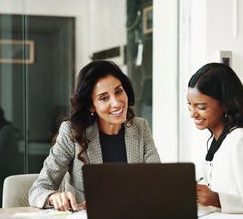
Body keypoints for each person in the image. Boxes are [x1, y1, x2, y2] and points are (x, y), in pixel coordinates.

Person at [29, 60, 161, 210]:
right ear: (92, 105)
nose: (117, 103)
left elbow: (157, 182)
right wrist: (53, 197)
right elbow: (38, 190)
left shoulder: (140, 127)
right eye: (104, 98)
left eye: (118, 91)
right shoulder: (72, 133)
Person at [186, 63, 243, 215]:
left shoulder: (240, 141)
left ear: (225, 104)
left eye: (201, 107)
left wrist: (217, 199)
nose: (192, 114)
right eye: (190, 105)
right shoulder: (217, 142)